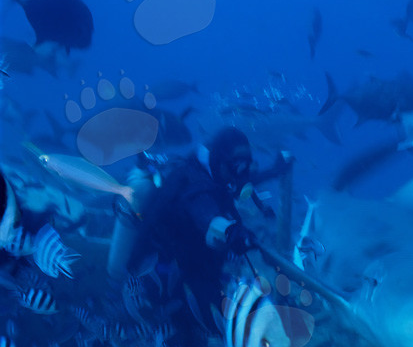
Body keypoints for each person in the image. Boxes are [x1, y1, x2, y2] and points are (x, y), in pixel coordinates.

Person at [110, 127, 290, 333]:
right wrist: (233, 233)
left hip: (192, 254)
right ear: (218, 161)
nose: (239, 174)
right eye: (235, 166)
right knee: (207, 326)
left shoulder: (218, 172)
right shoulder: (195, 184)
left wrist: (275, 170)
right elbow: (206, 214)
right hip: (165, 268)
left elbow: (239, 180)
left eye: (245, 166)